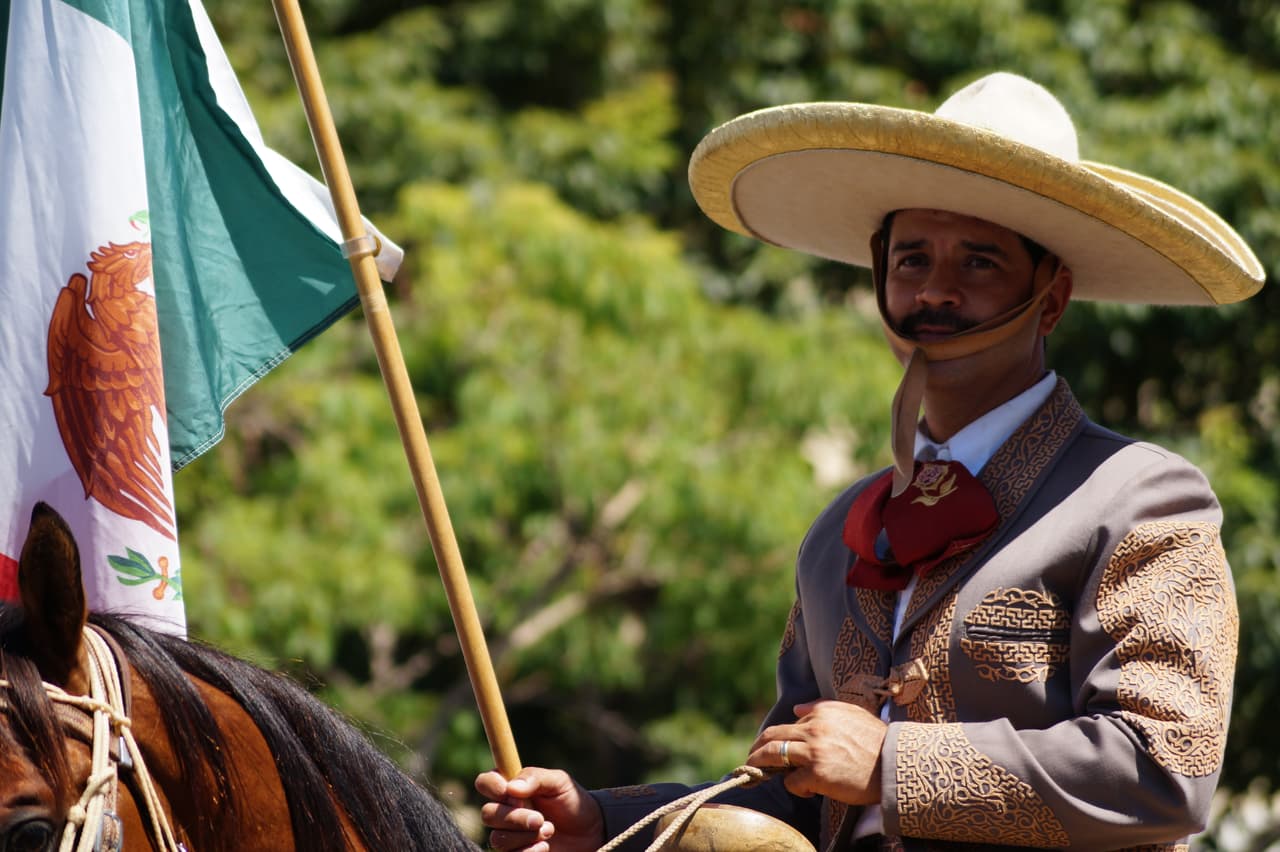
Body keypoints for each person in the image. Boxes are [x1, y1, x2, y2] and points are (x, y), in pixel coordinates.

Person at [475, 72, 1264, 851]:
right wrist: (603, 820)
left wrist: (890, 762)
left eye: (980, 263)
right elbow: (796, 795)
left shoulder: (1140, 498)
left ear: (1050, 298)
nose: (935, 292)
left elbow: (1168, 769)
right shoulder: (837, 535)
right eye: (913, 260)